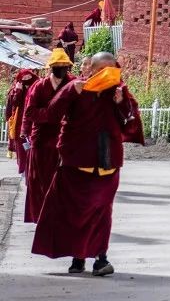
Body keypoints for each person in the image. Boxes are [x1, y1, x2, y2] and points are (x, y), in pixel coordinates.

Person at [31, 52, 143, 276]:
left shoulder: (119, 91)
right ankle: (78, 257)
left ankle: (101, 258)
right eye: (102, 70)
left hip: (107, 161)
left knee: (101, 211)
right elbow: (51, 114)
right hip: (76, 161)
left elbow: (131, 125)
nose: (108, 74)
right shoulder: (75, 88)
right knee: (75, 212)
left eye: (112, 69)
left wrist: (122, 104)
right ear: (90, 70)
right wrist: (70, 93)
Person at [22, 49, 73, 223]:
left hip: (66, 138)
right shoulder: (40, 86)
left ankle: (62, 217)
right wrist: (50, 115)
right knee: (40, 179)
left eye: (64, 66)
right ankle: (41, 216)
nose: (61, 69)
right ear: (51, 67)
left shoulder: (73, 83)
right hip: (42, 138)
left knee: (65, 180)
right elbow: (29, 112)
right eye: (57, 66)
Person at [4, 69, 37, 174]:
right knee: (21, 146)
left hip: (32, 122)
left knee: (32, 147)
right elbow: (13, 104)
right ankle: (23, 168)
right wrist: (18, 91)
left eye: (29, 77)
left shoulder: (36, 87)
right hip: (19, 124)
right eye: (24, 78)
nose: (27, 79)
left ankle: (31, 168)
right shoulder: (16, 89)